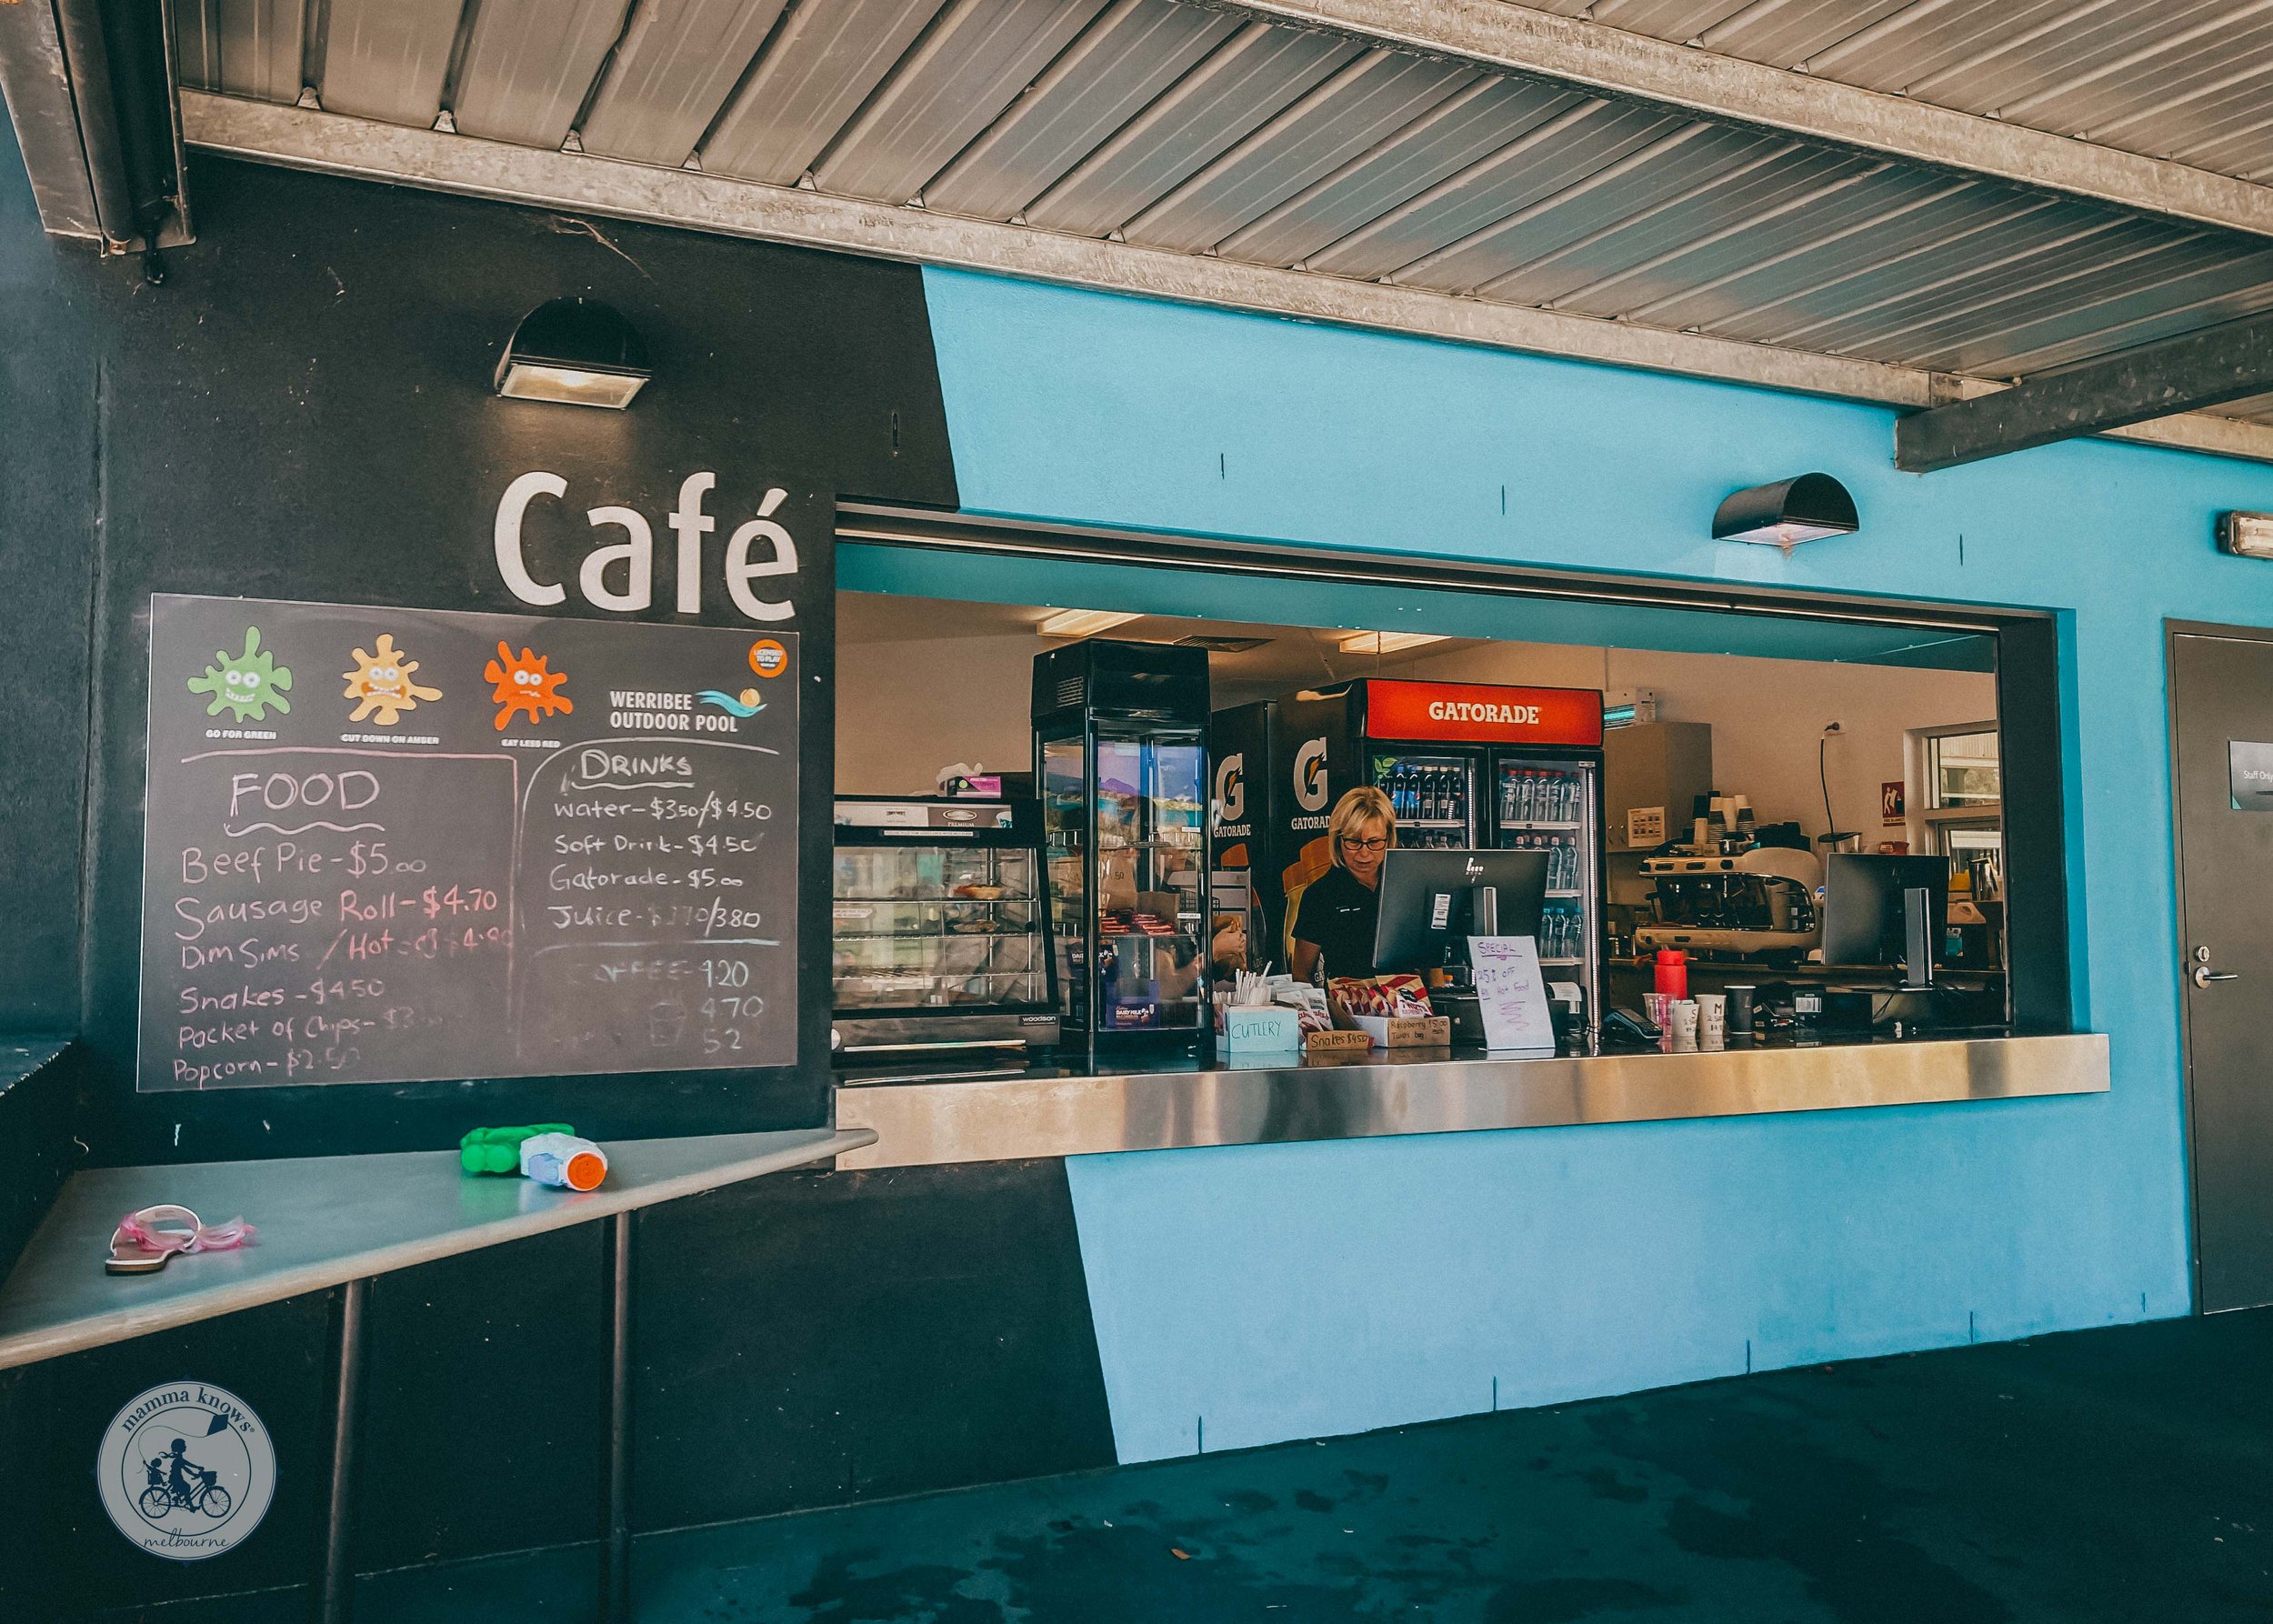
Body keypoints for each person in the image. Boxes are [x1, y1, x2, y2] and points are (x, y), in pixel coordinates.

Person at [1291, 786, 1396, 984]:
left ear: (1388, 838)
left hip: (1410, 1005)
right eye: (1354, 842)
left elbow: (1430, 962)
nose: (1364, 853)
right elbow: (1301, 974)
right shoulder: (1320, 895)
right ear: (1338, 840)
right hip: (1346, 1008)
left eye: (1374, 842)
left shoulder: (1406, 885)